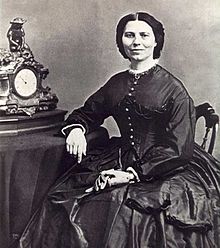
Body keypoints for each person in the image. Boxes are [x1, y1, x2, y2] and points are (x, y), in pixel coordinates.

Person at [19, 12, 220, 247]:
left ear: (156, 41)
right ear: (121, 40)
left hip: (167, 166)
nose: (136, 42)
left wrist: (132, 173)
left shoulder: (174, 89)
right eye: (129, 35)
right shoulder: (116, 83)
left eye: (144, 35)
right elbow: (86, 113)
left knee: (132, 213)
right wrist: (76, 129)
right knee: (69, 200)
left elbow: (177, 148)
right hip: (120, 156)